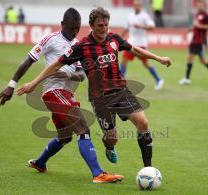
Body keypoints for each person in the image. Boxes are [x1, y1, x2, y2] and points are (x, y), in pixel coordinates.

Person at [17, 7, 171, 168]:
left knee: (143, 123)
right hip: (100, 99)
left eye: (106, 25)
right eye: (100, 26)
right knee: (112, 137)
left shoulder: (114, 39)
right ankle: (109, 146)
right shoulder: (82, 46)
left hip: (121, 91)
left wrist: (158, 58)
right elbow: (56, 65)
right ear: (91, 25)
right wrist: (33, 83)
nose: (104, 29)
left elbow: (134, 49)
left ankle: (148, 168)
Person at [0, 8, 123, 183]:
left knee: (65, 136)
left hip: (66, 93)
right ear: (63, 24)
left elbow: (81, 75)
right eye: (71, 28)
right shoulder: (51, 39)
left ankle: (40, 163)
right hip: (53, 92)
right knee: (83, 128)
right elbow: (29, 60)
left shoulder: (80, 45)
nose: (74, 32)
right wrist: (11, 85)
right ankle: (98, 174)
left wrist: (67, 74)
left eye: (77, 28)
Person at [120, 0, 164, 90]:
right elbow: (126, 28)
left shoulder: (145, 16)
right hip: (131, 43)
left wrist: (141, 26)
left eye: (138, 5)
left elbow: (152, 27)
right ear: (133, 6)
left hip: (141, 44)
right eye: (135, 5)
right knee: (124, 61)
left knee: (146, 64)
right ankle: (121, 83)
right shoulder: (130, 16)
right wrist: (119, 38)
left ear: (141, 6)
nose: (137, 7)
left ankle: (159, 79)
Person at [179, 0, 208, 85]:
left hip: (200, 41)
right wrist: (189, 30)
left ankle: (187, 79)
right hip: (194, 40)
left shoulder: (206, 15)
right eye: (198, 5)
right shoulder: (196, 15)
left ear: (204, 6)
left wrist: (199, 26)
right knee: (202, 60)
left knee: (191, 58)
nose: (199, 6)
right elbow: (195, 26)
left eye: (201, 5)